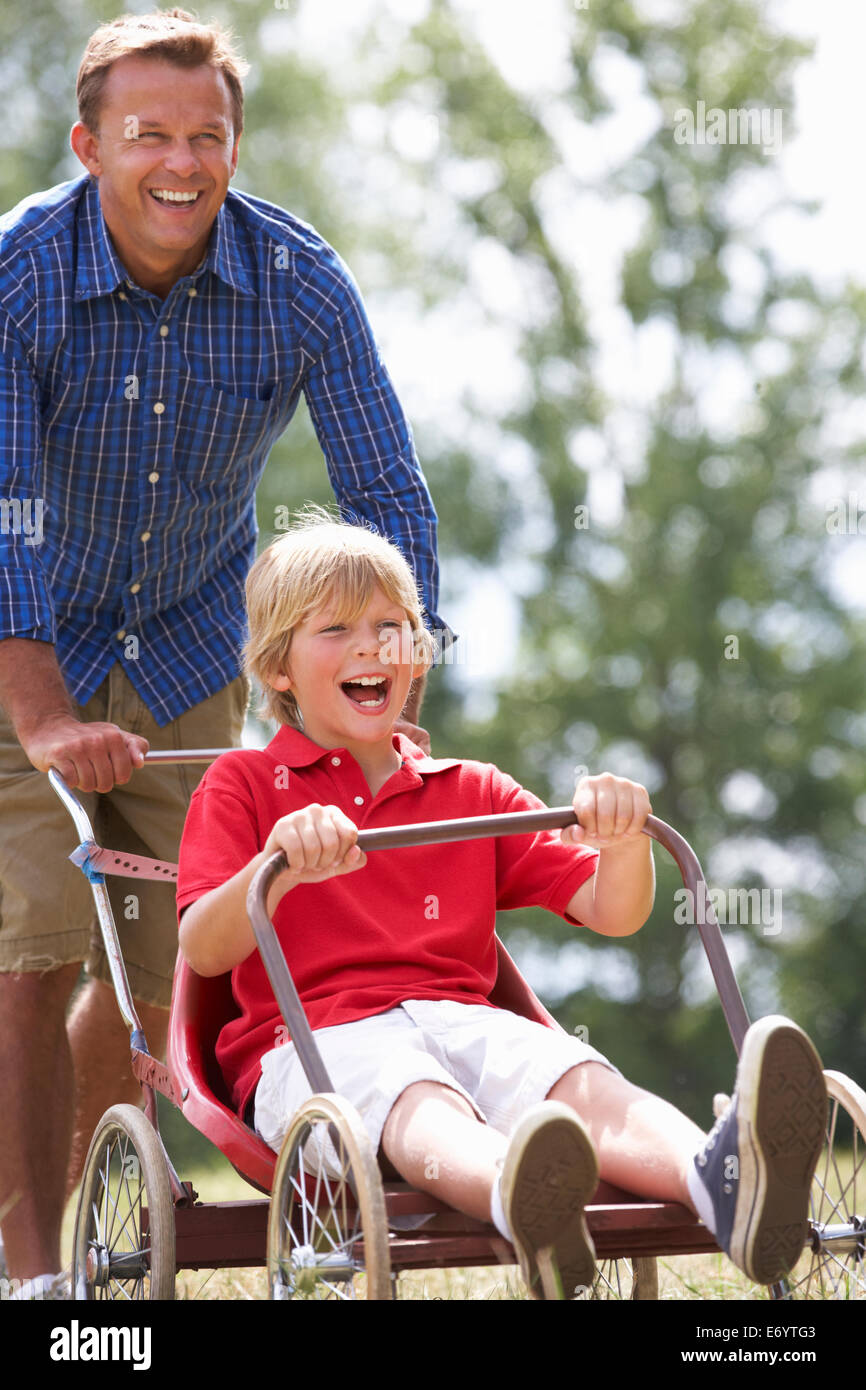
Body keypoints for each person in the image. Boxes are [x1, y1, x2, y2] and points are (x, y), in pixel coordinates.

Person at [0, 10, 450, 1297]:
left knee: (159, 970)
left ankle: (73, 1219)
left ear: (236, 150)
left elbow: (385, 495)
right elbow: (4, 524)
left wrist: (393, 680)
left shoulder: (299, 281)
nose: (180, 162)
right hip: (19, 640)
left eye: (207, 136)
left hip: (189, 637)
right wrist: (41, 724)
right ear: (90, 145)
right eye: (148, 135)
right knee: (30, 936)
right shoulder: (19, 278)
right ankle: (34, 1281)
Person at [176, 512, 828, 1299]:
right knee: (415, 1098)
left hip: (464, 1018)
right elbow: (205, 952)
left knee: (576, 1081)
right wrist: (275, 866)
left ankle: (724, 1181)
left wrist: (621, 840)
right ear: (278, 670)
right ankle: (522, 1200)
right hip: (316, 1041)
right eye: (337, 628)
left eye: (393, 626)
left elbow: (611, 912)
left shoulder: (469, 790)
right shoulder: (243, 787)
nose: (372, 646)